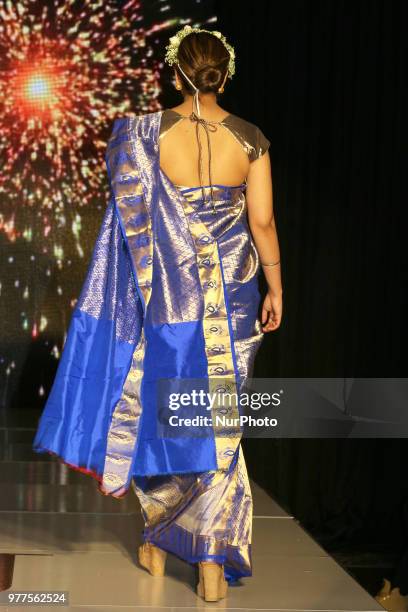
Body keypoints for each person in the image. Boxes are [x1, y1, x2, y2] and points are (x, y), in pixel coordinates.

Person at [32, 25, 282, 602]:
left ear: (175, 74)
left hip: (169, 302)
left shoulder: (144, 137)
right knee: (219, 426)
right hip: (236, 301)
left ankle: (156, 540)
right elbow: (262, 224)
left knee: (162, 413)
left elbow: (130, 233)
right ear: (226, 73)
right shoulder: (251, 141)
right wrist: (277, 288)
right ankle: (211, 566)